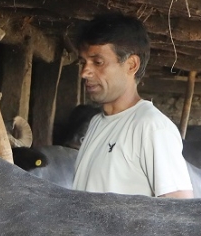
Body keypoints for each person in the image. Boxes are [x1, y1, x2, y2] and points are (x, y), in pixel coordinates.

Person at [72, 12, 193, 198]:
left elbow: (179, 211)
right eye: (83, 62)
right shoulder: (97, 122)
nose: (85, 72)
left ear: (131, 65)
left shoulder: (151, 127)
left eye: (98, 62)